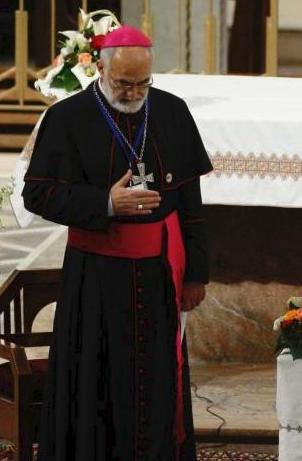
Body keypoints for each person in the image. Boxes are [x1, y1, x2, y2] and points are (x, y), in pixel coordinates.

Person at [22, 24, 213, 461]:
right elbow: (38, 193)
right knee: (97, 383)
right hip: (96, 279)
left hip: (160, 273)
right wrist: (104, 202)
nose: (133, 93)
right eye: (123, 83)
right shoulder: (67, 117)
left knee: (159, 380)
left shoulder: (172, 112)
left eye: (142, 82)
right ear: (101, 71)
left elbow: (191, 202)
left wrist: (197, 273)